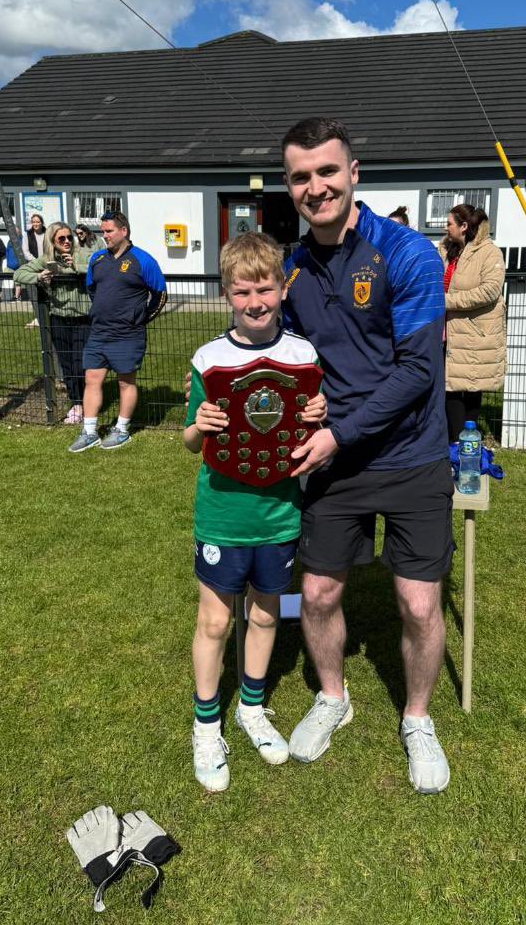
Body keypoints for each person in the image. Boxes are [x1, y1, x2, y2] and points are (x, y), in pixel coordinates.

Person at [281, 117, 453, 795]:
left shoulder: (405, 254)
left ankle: (417, 718)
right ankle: (333, 696)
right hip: (336, 463)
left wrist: (338, 431)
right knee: (318, 593)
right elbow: (287, 361)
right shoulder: (292, 268)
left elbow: (416, 373)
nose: (315, 186)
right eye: (301, 176)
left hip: (410, 455)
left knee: (416, 603)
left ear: (355, 173)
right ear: (290, 188)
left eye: (327, 170)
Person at [184, 232, 326, 791]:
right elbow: (191, 442)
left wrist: (319, 409)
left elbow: (309, 427)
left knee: (267, 614)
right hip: (223, 512)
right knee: (216, 620)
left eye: (264, 287)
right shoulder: (209, 359)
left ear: (281, 289)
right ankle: (205, 725)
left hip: (279, 514)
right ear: (227, 295)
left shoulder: (302, 355)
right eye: (242, 291)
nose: (255, 300)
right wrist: (201, 426)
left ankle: (251, 706)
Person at [68, 211, 167, 452]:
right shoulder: (98, 259)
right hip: (99, 332)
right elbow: (92, 288)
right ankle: (89, 431)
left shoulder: (143, 260)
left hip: (128, 335)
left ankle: (121, 429)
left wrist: (140, 319)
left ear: (124, 231)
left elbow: (160, 295)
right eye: (103, 231)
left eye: (109, 231)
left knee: (125, 382)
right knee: (92, 379)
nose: (105, 235)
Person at [438, 204, 506, 443]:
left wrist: (447, 301)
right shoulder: (446, 249)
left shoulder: (490, 253)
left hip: (474, 333)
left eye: (449, 224)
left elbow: (490, 291)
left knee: (468, 388)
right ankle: (457, 443)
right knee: (450, 387)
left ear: (464, 226)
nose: (445, 228)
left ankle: (462, 445)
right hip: (448, 332)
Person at [15, 222, 93, 423]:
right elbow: (19, 274)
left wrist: (75, 267)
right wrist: (39, 276)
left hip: (83, 317)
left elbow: (97, 267)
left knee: (79, 364)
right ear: (52, 242)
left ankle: (88, 402)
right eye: (61, 239)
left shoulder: (83, 254)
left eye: (69, 237)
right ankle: (76, 403)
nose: (67, 241)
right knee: (66, 364)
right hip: (58, 317)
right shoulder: (47, 260)